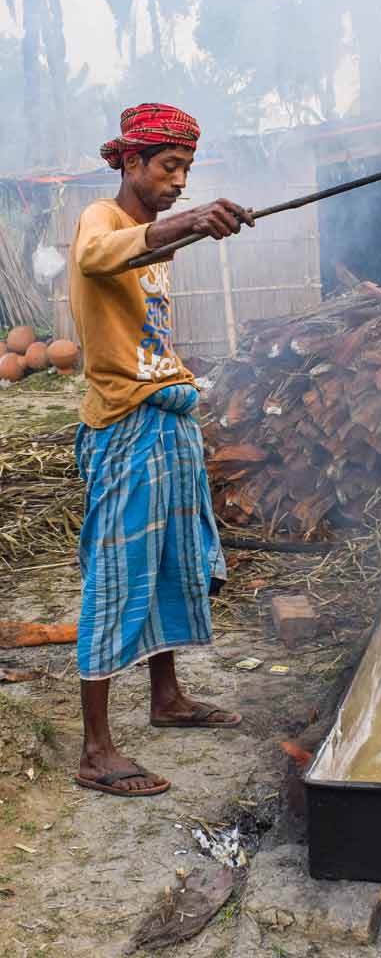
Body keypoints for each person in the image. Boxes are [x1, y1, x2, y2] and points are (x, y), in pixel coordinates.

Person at [69, 103, 253, 797]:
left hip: (168, 417)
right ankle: (95, 750)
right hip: (124, 425)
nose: (179, 181)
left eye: (187, 170)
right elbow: (94, 257)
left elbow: (143, 300)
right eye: (169, 167)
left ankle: (166, 697)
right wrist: (184, 222)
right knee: (117, 575)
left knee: (173, 562)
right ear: (131, 161)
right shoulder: (100, 219)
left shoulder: (153, 239)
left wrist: (190, 227)